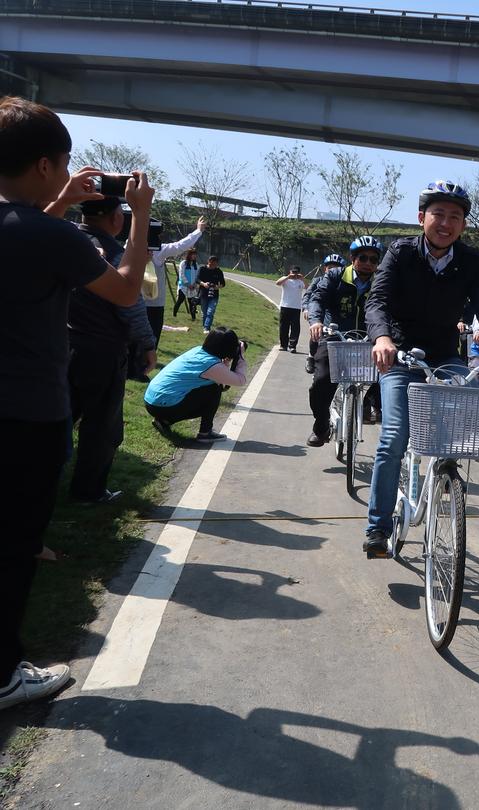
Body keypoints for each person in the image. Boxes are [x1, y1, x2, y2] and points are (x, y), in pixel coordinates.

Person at [0, 95, 153, 711]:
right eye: (62, 166)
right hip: (27, 410)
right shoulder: (50, 235)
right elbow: (121, 289)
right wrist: (139, 214)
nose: (68, 176)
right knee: (13, 545)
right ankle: (7, 674)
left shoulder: (39, 222)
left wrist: (61, 203)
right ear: (43, 165)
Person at [363, 180, 479, 556]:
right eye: (438, 214)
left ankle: (444, 475)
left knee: (456, 429)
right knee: (394, 438)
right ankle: (378, 527)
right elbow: (377, 300)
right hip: (401, 355)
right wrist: (382, 339)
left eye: (455, 217)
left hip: (445, 353)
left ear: (463, 225)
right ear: (422, 218)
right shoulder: (400, 253)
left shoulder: (469, 261)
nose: (445, 223)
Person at [68, 196, 157, 501]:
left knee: (57, 417)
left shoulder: (64, 237)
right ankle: (88, 490)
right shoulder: (117, 254)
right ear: (117, 218)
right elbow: (129, 304)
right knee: (101, 426)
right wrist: (147, 343)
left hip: (60, 345)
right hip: (102, 351)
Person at [305, 240, 381, 445]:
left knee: (387, 373)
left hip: (369, 338)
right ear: (352, 258)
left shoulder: (381, 281)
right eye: (363, 258)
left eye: (373, 259)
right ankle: (321, 426)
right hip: (334, 336)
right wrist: (316, 322)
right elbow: (317, 299)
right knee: (321, 383)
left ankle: (368, 406)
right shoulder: (334, 276)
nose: (368, 263)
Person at [144, 327, 247, 442]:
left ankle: (164, 421)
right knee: (214, 389)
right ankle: (205, 432)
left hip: (150, 401)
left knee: (210, 387)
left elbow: (221, 375)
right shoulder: (211, 364)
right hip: (164, 406)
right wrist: (241, 356)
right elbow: (240, 380)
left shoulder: (198, 351)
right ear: (227, 348)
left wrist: (227, 360)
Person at [145, 216, 206, 344]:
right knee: (147, 343)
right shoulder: (153, 251)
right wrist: (198, 231)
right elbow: (180, 246)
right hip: (150, 305)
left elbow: (180, 246)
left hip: (143, 304)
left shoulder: (152, 250)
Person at [275, 265, 306, 352]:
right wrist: (288, 277)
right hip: (285, 306)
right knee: (283, 326)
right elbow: (277, 283)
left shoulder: (300, 281)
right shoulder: (285, 279)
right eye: (293, 272)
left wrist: (302, 278)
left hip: (296, 307)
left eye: (296, 273)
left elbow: (308, 287)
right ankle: (283, 345)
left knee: (295, 328)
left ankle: (293, 346)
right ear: (290, 271)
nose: (294, 274)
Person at [197, 255, 225, 333]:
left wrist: (217, 287)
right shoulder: (202, 269)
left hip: (214, 294)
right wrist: (203, 284)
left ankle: (206, 328)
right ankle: (205, 327)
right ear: (208, 262)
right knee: (204, 313)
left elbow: (223, 283)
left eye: (215, 264)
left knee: (210, 312)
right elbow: (197, 279)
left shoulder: (218, 271)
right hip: (203, 293)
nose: (213, 266)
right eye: (212, 264)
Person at [174, 247, 200, 320]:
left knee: (192, 303)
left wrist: (195, 284)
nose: (194, 256)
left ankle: (193, 318)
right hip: (183, 286)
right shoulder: (183, 263)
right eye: (193, 254)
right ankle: (174, 314)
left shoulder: (196, 265)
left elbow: (197, 275)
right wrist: (187, 284)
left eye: (195, 254)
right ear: (189, 255)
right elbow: (181, 274)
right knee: (180, 300)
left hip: (193, 286)